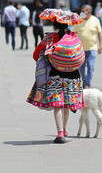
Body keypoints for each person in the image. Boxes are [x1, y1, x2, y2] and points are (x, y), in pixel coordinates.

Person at [26, 9, 85, 144]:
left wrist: (49, 57)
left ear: (55, 24)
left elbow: (36, 55)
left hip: (55, 75)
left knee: (58, 105)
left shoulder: (49, 38)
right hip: (73, 76)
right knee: (66, 105)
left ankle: (60, 135)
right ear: (68, 24)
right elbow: (79, 54)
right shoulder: (73, 37)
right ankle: (64, 130)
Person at [73, 5, 102, 89]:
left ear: (88, 12)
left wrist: (100, 46)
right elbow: (73, 34)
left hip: (92, 48)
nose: (81, 13)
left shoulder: (95, 20)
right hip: (80, 49)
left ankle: (87, 84)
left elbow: (99, 33)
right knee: (81, 68)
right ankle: (85, 82)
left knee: (90, 66)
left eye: (83, 11)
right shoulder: (78, 21)